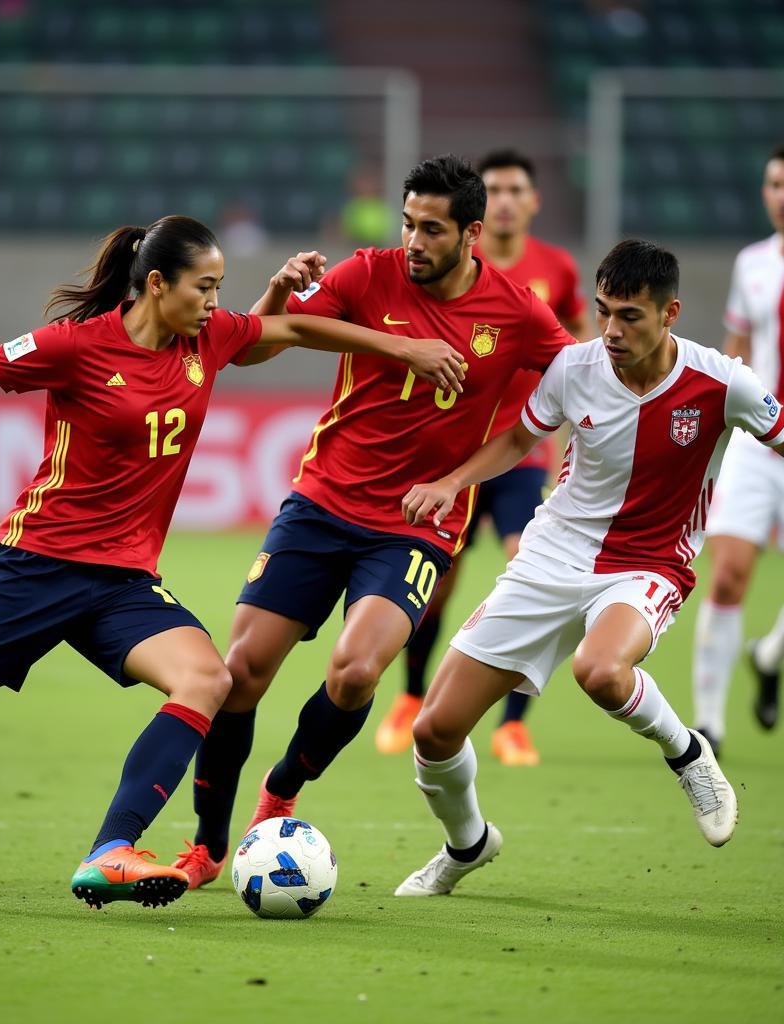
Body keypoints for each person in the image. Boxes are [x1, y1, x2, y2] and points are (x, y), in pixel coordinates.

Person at [0, 215, 463, 909]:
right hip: (32, 567)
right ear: (157, 284)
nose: (215, 303)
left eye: (221, 288)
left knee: (206, 679)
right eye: (205, 287)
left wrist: (400, 349)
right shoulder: (74, 347)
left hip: (122, 583)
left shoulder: (209, 338)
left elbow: (294, 332)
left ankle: (111, 850)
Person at [174, 155, 577, 890]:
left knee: (357, 672)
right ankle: (205, 847)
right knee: (239, 676)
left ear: (472, 234)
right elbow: (261, 345)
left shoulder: (517, 312)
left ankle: (282, 789)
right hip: (322, 502)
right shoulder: (366, 274)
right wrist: (282, 295)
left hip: (415, 524)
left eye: (432, 229)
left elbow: (582, 383)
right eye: (408, 224)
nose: (414, 242)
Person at [394, 239, 774, 898]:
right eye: (603, 312)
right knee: (434, 729)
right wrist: (454, 483)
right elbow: (519, 438)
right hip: (552, 554)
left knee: (600, 670)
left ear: (670, 313)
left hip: (649, 564)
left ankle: (687, 753)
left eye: (629, 316)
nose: (612, 330)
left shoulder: (722, 382)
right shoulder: (575, 368)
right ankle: (467, 844)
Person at [376, 148, 590, 764]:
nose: (503, 200)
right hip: (447, 457)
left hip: (518, 455)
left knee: (530, 571)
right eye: (492, 189)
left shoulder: (554, 269)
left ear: (533, 201)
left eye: (515, 189)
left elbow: (572, 343)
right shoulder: (435, 268)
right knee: (437, 586)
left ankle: (512, 723)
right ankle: (411, 698)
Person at [692, 145, 784, 755]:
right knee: (727, 576)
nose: (781, 194)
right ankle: (709, 725)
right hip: (761, 440)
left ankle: (768, 655)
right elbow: (737, 350)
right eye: (775, 183)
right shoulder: (752, 263)